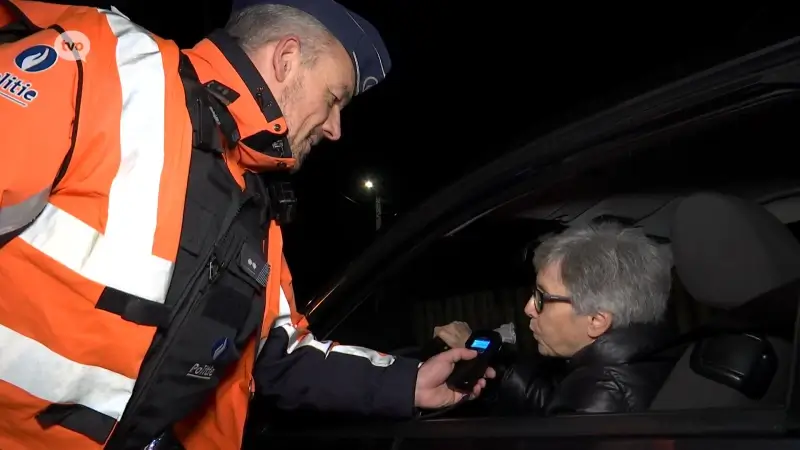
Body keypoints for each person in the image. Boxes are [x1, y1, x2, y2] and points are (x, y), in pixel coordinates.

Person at [0, 1, 492, 449]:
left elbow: (279, 353)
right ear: (287, 59)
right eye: (334, 98)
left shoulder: (256, 211)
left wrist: (408, 383)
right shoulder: (115, 70)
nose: (335, 128)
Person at [434, 222, 677, 415]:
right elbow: (550, 398)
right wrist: (485, 360)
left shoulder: (597, 405)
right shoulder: (641, 357)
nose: (529, 307)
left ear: (596, 320)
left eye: (542, 297)